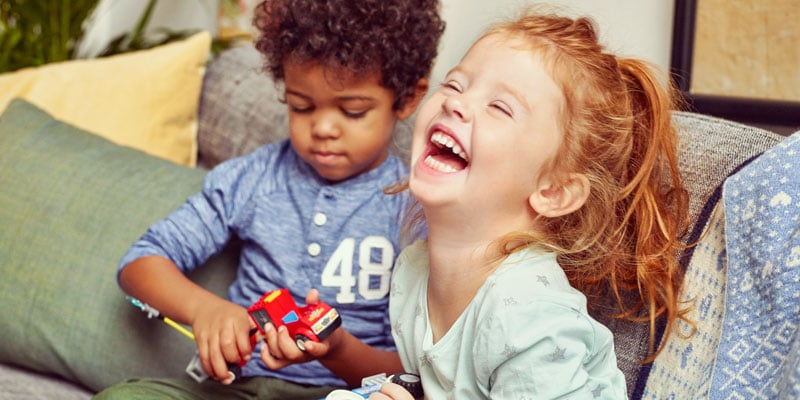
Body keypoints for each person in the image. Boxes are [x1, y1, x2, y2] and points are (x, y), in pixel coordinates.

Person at [94, 0, 444, 399]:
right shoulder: (254, 178)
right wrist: (205, 310)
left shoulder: (416, 210)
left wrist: (338, 349)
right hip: (237, 389)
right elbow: (140, 264)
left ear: (407, 99)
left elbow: (418, 370)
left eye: (352, 111)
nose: (324, 128)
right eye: (302, 106)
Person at [370, 8, 691, 399]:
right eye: (454, 84)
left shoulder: (527, 315)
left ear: (554, 191)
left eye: (499, 107)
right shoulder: (413, 271)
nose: (456, 104)